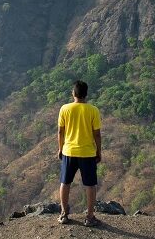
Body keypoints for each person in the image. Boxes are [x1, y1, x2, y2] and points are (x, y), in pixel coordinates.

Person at [56, 80, 102, 227]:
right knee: (90, 185)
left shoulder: (65, 109)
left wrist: (60, 148)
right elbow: (97, 134)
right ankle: (89, 216)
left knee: (65, 182)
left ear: (73, 93)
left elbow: (60, 131)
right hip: (88, 153)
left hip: (69, 151)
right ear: (86, 94)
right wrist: (99, 151)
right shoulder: (93, 110)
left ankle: (63, 214)